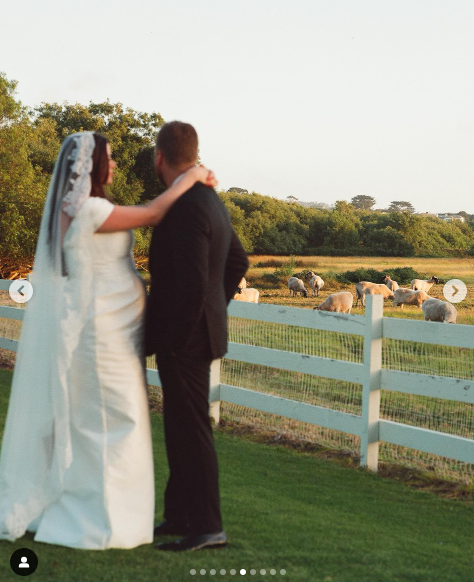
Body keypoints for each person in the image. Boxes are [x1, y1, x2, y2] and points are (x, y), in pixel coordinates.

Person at [0, 131, 216, 549]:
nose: (114, 164)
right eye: (109, 158)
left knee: (117, 416)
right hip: (101, 332)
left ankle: (111, 513)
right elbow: (154, 214)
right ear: (92, 165)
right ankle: (99, 520)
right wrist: (190, 179)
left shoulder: (84, 206)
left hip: (116, 329)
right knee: (112, 419)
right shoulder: (90, 208)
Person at [146, 121, 249, 552]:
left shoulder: (187, 205)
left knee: (192, 429)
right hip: (198, 333)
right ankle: (180, 515)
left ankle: (208, 526)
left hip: (184, 339)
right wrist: (214, 309)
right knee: (181, 425)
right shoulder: (211, 199)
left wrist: (181, 331)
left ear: (160, 157)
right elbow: (238, 262)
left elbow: (189, 282)